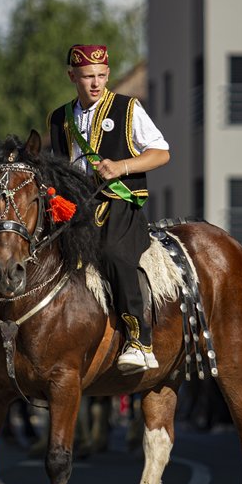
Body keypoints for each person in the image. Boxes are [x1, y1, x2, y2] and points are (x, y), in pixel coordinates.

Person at [47, 44, 170, 374]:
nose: (96, 84)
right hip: (76, 209)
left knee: (115, 253)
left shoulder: (127, 108)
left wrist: (122, 167)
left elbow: (161, 153)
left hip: (119, 202)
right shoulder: (58, 119)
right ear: (72, 76)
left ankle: (139, 341)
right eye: (88, 77)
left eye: (101, 76)